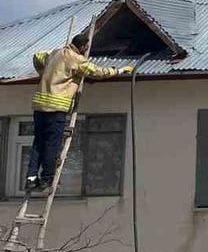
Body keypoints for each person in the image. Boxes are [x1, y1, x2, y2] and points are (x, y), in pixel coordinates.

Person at [26, 31, 133, 191]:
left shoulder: (54, 53)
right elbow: (98, 72)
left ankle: (31, 178)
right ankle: (46, 179)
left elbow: (37, 56)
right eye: (86, 47)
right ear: (83, 47)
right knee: (52, 144)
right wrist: (120, 70)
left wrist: (43, 73)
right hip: (56, 108)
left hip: (39, 105)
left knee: (39, 142)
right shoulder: (77, 60)